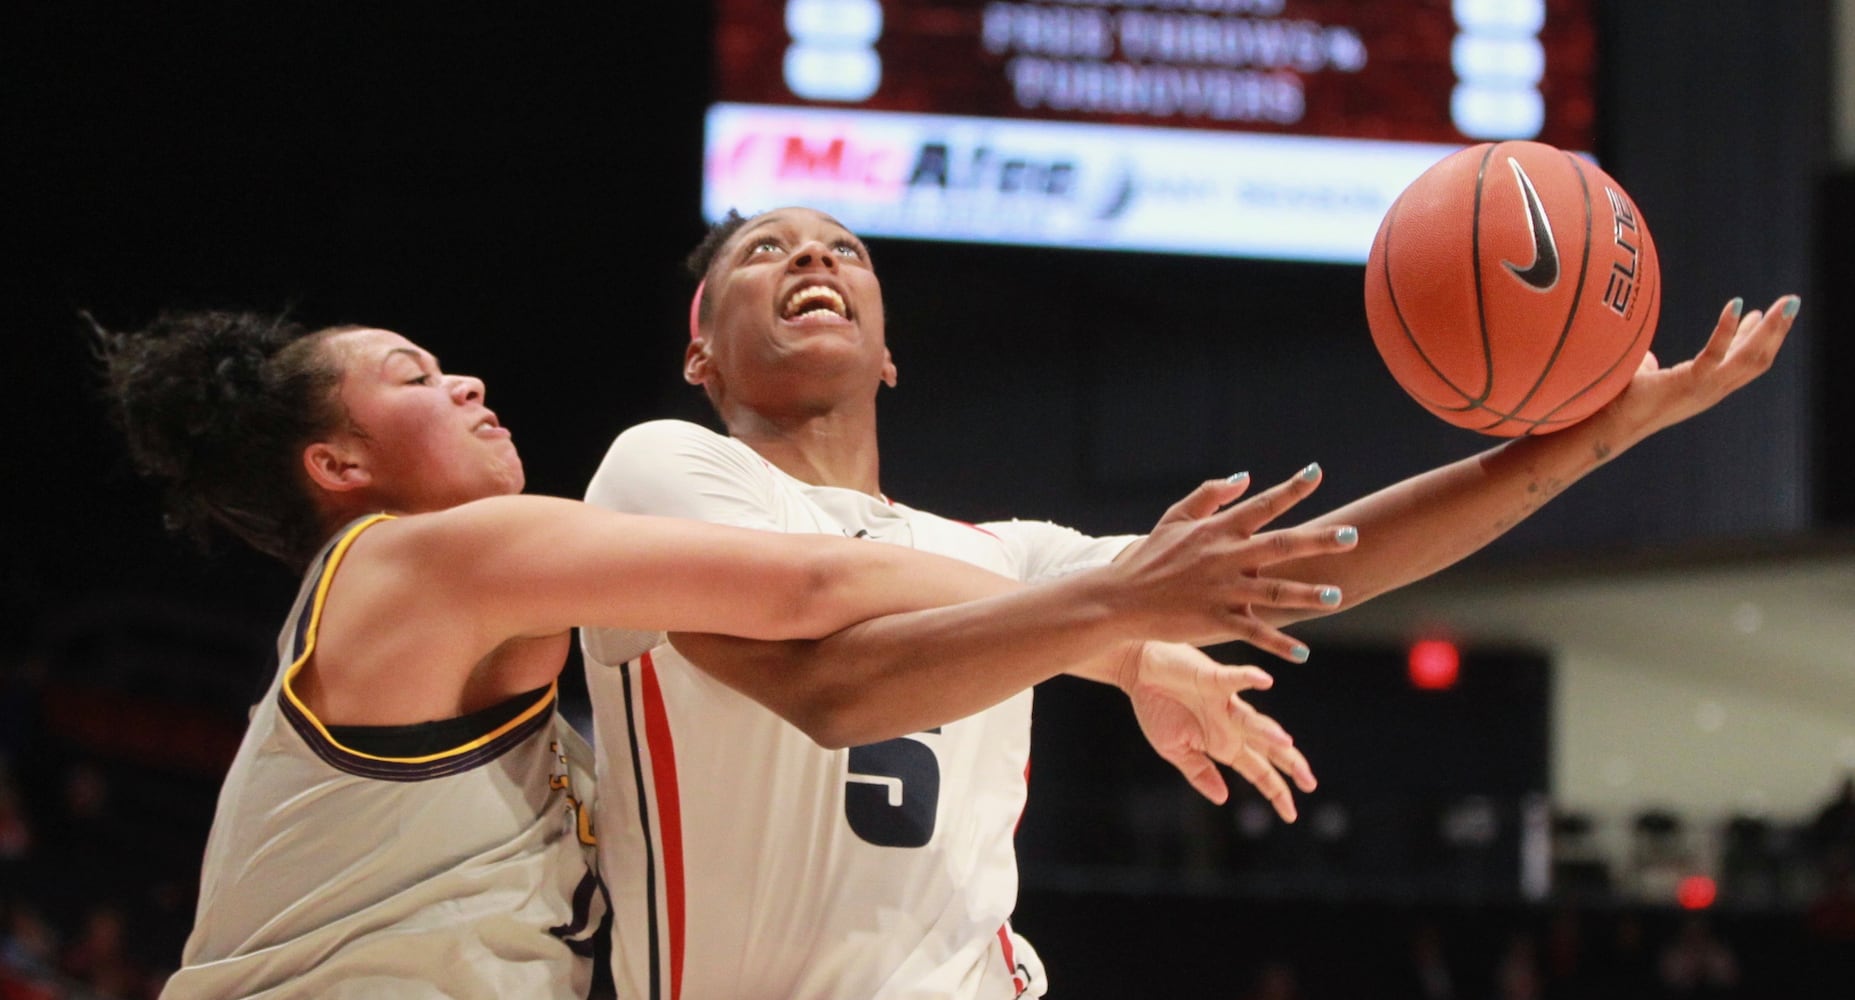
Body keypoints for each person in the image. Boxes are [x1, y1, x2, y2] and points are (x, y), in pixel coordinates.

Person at [580, 205, 1798, 1000]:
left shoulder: (1019, 558)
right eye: (766, 251)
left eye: (845, 249)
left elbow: (1326, 560)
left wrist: (1599, 434)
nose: (812, 258)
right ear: (701, 360)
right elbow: (832, 682)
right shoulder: (663, 474)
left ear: (891, 352)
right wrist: (1117, 631)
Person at [98, 309, 1344, 998]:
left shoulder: (513, 697)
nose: (470, 378)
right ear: (338, 466)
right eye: (417, 374)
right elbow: (813, 585)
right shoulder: (414, 561)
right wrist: (1122, 633)